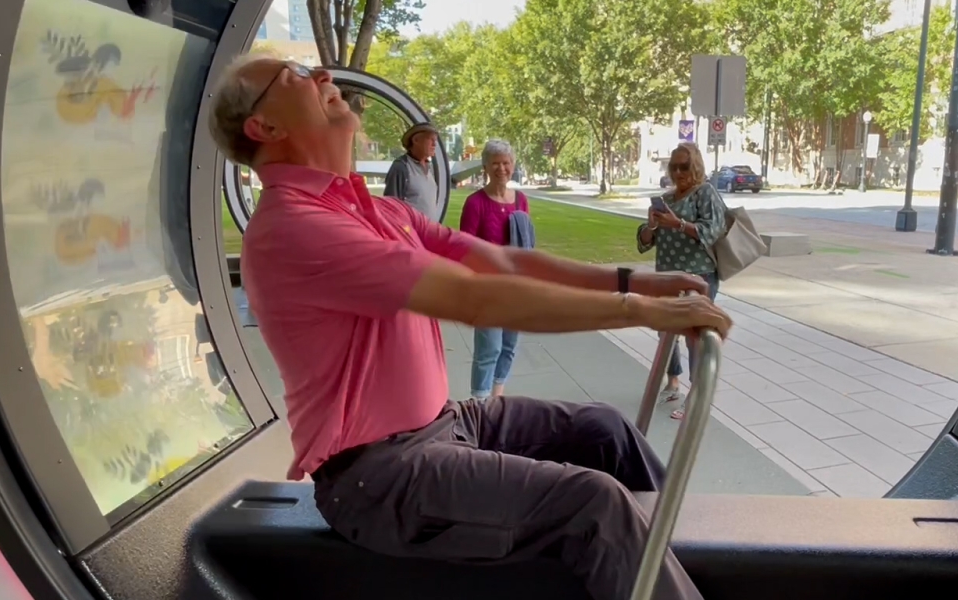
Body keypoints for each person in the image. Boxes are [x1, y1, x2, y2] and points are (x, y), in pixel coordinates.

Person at [207, 57, 728, 600]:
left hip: (444, 425)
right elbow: (473, 297)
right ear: (264, 128)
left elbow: (502, 263)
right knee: (594, 503)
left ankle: (685, 564)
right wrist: (638, 312)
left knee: (605, 429)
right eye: (294, 76)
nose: (321, 78)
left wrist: (640, 283)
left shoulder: (382, 212)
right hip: (380, 478)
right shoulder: (294, 227)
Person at [636, 143, 728, 420]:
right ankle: (672, 382)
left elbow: (712, 231)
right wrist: (651, 227)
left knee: (694, 339)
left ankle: (697, 396)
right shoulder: (667, 198)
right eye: (673, 166)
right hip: (667, 277)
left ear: (696, 166)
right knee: (665, 333)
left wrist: (678, 224)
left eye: (684, 166)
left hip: (698, 277)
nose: (678, 172)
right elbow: (643, 243)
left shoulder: (705, 193)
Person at [458, 140, 530, 401]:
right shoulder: (475, 203)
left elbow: (526, 244)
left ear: (513, 165)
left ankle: (496, 400)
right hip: (488, 287)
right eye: (496, 163)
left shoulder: (521, 200)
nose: (502, 168)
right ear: (486, 166)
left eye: (506, 162)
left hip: (516, 285)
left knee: (509, 346)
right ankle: (478, 406)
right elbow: (463, 248)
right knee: (489, 348)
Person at [382, 122, 443, 221]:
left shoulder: (429, 168)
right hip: (410, 233)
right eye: (430, 139)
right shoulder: (401, 167)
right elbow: (391, 208)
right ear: (416, 140)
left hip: (428, 233)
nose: (434, 144)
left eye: (435, 140)